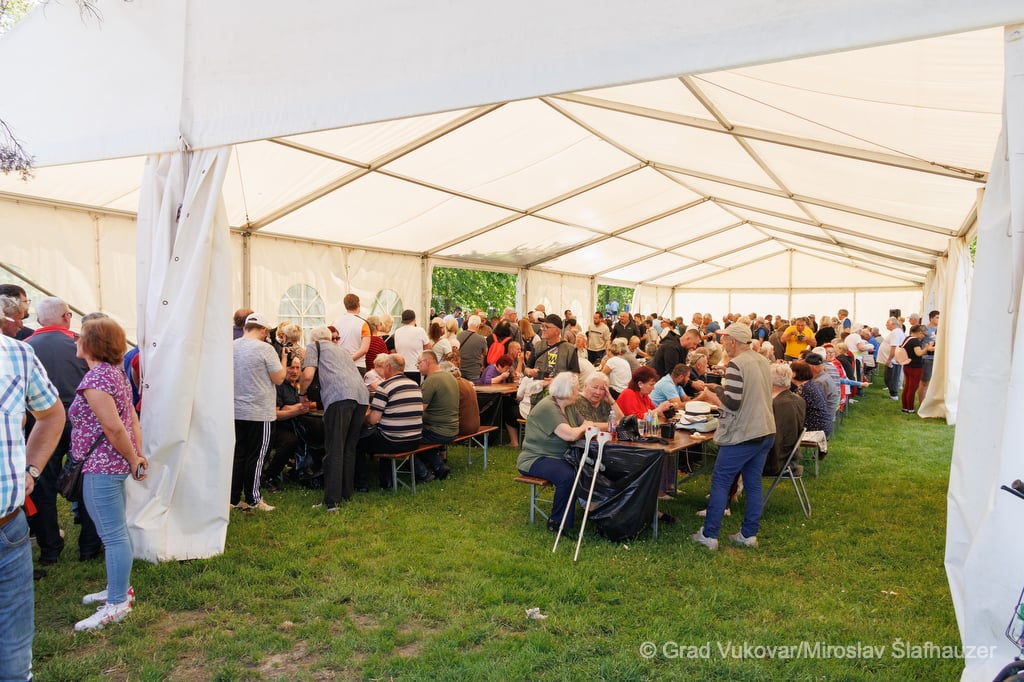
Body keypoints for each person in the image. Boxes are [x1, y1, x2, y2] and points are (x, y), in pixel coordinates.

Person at [70, 317, 149, 631]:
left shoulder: (98, 378)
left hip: (102, 466)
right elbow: (130, 418)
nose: (76, 338)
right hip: (109, 463)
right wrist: (136, 455)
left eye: (81, 336)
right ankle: (118, 590)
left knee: (113, 535)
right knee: (116, 532)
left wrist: (134, 458)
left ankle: (117, 602)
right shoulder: (111, 374)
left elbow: (116, 426)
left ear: (91, 343)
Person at [0, 330, 64, 679]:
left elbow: (51, 414)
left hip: (8, 528)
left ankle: (53, 548)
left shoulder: (18, 352)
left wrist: (31, 468)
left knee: (14, 655)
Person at [25, 297, 102, 565]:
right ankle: (89, 547)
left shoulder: (24, 348)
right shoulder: (81, 344)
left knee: (41, 485)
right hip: (80, 420)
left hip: (40, 423)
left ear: (38, 320)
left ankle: (49, 549)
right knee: (87, 481)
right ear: (67, 317)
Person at [692, 322, 775, 551]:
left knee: (721, 481)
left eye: (724, 339)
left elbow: (733, 403)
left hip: (743, 433)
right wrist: (719, 388)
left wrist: (713, 393)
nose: (722, 343)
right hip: (765, 429)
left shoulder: (736, 364)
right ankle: (749, 535)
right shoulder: (762, 360)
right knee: (753, 484)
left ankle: (709, 535)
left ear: (733, 342)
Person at [517, 372, 602, 532]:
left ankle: (596, 512)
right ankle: (557, 522)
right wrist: (584, 427)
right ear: (568, 390)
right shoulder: (547, 407)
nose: (579, 392)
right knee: (567, 475)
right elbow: (570, 434)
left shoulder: (569, 406)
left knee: (584, 469)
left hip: (558, 457)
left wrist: (614, 425)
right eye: (577, 389)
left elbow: (587, 425)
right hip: (535, 458)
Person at [300, 326, 369, 507]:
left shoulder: (315, 347)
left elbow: (307, 375)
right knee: (348, 449)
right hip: (361, 397)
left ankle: (331, 502)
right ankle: (346, 494)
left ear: (313, 339)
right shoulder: (342, 350)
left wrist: (301, 393)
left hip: (339, 397)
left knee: (334, 449)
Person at [231, 313, 287, 512]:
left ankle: (234, 498)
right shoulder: (266, 348)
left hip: (236, 409)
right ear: (263, 330)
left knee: (238, 454)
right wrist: (285, 359)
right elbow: (279, 378)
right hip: (259, 411)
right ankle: (254, 498)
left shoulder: (232, 346)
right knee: (257, 456)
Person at [356, 354, 422, 490]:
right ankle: (386, 480)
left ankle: (361, 484)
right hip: (415, 439)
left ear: (388, 367)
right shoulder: (414, 384)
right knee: (384, 432)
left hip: (394, 441)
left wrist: (364, 417)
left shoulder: (385, 386)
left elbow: (373, 420)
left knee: (356, 441)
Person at [414, 351, 458, 481]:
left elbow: (418, 410)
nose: (417, 367)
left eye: (418, 363)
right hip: (453, 428)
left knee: (405, 438)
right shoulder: (450, 377)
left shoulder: (431, 381)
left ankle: (423, 473)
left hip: (437, 430)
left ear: (427, 362)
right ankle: (439, 465)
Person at [764, 362, 805, 477]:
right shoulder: (798, 400)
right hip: (790, 458)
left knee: (735, 453)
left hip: (776, 461)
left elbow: (773, 439)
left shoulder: (775, 404)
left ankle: (730, 491)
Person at [525, 314, 579, 380]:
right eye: (542, 326)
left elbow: (575, 374)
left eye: (547, 327)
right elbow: (527, 368)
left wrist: (557, 381)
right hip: (539, 387)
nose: (543, 329)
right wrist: (530, 372)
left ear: (557, 331)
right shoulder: (538, 346)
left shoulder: (569, 349)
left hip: (559, 388)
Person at [332, 293, 371, 375]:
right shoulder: (363, 323)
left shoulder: (335, 322)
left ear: (345, 305)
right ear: (359, 304)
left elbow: (331, 344)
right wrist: (349, 358)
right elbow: (364, 349)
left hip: (339, 363)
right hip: (358, 365)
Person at [900, 324, 932, 414]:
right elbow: (918, 353)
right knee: (912, 388)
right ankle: (910, 408)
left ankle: (905, 407)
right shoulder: (915, 341)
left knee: (907, 387)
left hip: (907, 365)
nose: (924, 337)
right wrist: (926, 348)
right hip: (915, 367)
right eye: (924, 335)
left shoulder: (907, 339)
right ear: (919, 332)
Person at [393, 309, 430, 384]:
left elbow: (396, 350)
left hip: (401, 369)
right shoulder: (420, 331)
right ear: (414, 319)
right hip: (416, 369)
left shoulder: (397, 332)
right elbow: (428, 349)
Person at [879, 316, 906, 401]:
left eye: (887, 323)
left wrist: (889, 359)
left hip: (893, 360)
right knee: (889, 377)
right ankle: (892, 394)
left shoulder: (895, 332)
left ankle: (894, 395)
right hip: (893, 359)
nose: (886, 325)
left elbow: (894, 347)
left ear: (893, 324)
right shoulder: (896, 332)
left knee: (892, 377)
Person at [456, 315, 488, 383]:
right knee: (473, 391)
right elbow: (485, 353)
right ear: (478, 325)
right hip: (473, 371)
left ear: (468, 324)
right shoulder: (482, 339)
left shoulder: (458, 336)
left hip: (460, 368)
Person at [919, 310, 939, 404]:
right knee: (924, 382)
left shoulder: (941, 329)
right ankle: (922, 403)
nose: (939, 320)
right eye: (937, 317)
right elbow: (918, 341)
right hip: (927, 358)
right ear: (931, 318)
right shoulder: (925, 329)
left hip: (937, 358)